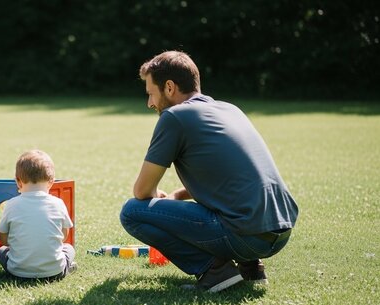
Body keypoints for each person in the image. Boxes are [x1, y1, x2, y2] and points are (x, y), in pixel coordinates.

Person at [119, 51, 298, 292]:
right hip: (280, 232)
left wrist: (157, 198)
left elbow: (142, 191)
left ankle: (214, 272)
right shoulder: (230, 109)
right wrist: (179, 196)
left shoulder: (174, 117)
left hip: (247, 236)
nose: (150, 103)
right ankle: (250, 267)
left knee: (132, 212)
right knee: (227, 208)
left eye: (151, 93)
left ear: (169, 87)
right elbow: (231, 177)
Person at [0, 150, 76, 280]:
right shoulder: (58, 203)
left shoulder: (11, 204)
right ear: (51, 181)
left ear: (18, 181)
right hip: (54, 271)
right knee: (68, 248)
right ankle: (66, 267)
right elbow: (64, 236)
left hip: (17, 272)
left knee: (1, 252)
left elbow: (3, 240)